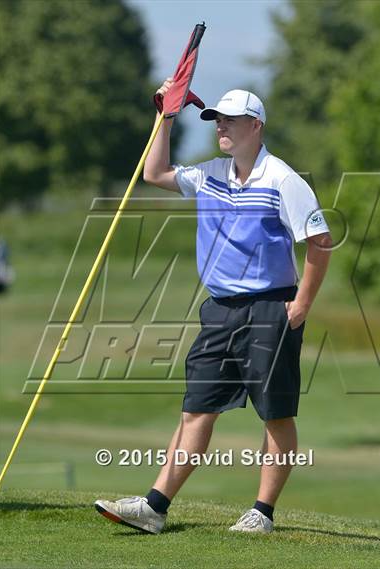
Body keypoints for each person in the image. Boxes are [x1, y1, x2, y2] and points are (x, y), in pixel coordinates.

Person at [95, 80, 332, 534]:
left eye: (229, 119)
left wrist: (301, 304)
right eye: (216, 119)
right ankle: (155, 506)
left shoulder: (284, 180)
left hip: (271, 309)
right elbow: (156, 173)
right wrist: (165, 116)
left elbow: (320, 242)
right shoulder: (210, 174)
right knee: (196, 409)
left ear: (255, 126)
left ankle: (261, 513)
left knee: (275, 413)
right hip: (220, 310)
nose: (220, 126)